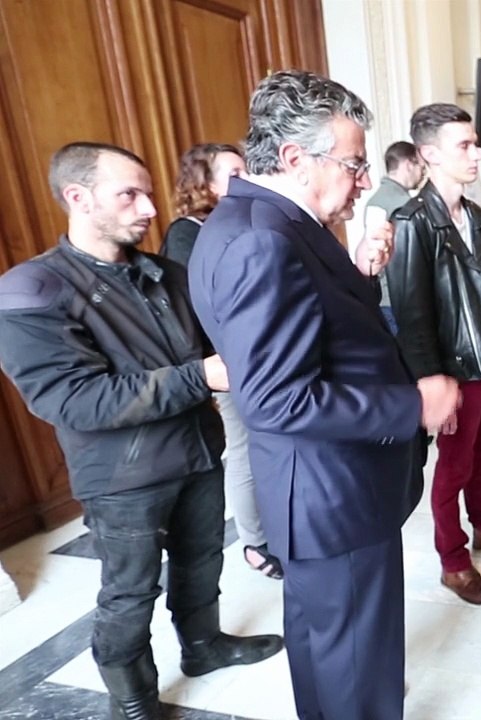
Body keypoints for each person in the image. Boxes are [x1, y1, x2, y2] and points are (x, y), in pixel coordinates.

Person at [188, 71, 459, 720]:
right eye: (354, 163)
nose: (364, 180)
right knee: (354, 669)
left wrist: (362, 274)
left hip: (327, 490)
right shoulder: (262, 239)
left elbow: (316, 334)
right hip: (332, 492)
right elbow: (278, 400)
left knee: (332, 652)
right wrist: (412, 406)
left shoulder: (272, 222)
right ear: (293, 158)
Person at [0, 142, 284, 719]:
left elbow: (219, 343)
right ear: (77, 198)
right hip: (124, 476)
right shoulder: (31, 291)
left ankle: (203, 647)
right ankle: (133, 698)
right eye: (129, 194)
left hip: (197, 451)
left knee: (203, 559)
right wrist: (199, 375)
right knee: (130, 592)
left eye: (148, 192)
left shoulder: (165, 273)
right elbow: (71, 400)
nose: (150, 207)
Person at [386, 102, 481, 606]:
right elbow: (412, 313)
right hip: (452, 370)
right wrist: (431, 380)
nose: (476, 154)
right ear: (429, 154)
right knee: (453, 466)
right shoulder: (413, 222)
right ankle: (453, 561)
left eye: (475, 143)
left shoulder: (479, 219)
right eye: (464, 146)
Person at [160, 143, 281, 580]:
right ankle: (254, 542)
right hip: (226, 363)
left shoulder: (236, 219)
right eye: (234, 171)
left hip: (257, 358)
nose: (246, 175)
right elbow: (199, 306)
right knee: (245, 449)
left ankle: (275, 527)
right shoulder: (186, 232)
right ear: (205, 183)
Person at [365, 140, 425, 333]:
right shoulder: (405, 204)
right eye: (421, 168)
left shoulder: (375, 200)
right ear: (409, 164)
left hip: (382, 297)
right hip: (402, 299)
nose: (422, 174)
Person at [160, 143, 244, 265]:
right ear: (207, 185)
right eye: (236, 175)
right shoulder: (185, 232)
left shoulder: (250, 220)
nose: (249, 179)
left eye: (248, 172)